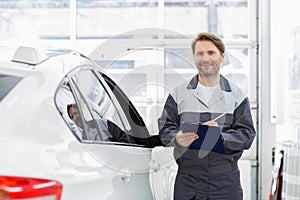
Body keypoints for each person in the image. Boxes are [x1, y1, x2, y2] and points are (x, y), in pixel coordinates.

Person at [158, 32, 256, 200]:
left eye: (211, 53)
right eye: (200, 53)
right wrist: (176, 138)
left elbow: (247, 135)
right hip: (188, 179)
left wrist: (220, 137)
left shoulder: (237, 96)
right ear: (194, 57)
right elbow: (165, 129)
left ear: (222, 56)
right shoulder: (179, 93)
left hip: (225, 180)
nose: (205, 58)